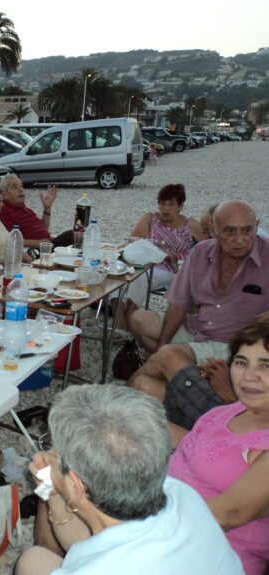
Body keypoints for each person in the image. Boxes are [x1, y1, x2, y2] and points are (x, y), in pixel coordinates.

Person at [0, 385, 243, 575]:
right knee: (34, 560)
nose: (47, 455)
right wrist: (51, 490)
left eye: (53, 452)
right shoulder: (178, 493)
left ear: (78, 485)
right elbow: (84, 545)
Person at [129, 200, 269, 438]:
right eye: (229, 231)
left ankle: (224, 421)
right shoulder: (201, 253)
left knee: (162, 364)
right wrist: (164, 344)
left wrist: (165, 354)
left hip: (236, 344)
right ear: (213, 231)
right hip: (200, 328)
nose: (239, 238)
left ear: (256, 226)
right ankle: (189, 385)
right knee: (141, 322)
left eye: (247, 230)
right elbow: (179, 304)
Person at [168, 322, 269, 575]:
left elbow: (230, 513)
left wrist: (135, 516)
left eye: (266, 366)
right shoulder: (232, 411)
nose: (248, 376)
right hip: (169, 529)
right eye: (241, 362)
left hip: (211, 556)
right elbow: (195, 447)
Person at [115, 184, 205, 328]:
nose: (165, 209)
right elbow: (133, 243)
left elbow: (209, 247)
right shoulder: (150, 218)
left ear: (181, 206)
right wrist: (159, 254)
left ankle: (129, 317)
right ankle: (119, 315)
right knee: (115, 277)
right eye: (162, 203)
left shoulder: (190, 224)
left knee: (141, 277)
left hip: (170, 269)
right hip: (142, 263)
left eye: (171, 204)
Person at [0, 175, 72, 248]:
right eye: (15, 187)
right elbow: (10, 240)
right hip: (36, 251)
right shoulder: (4, 210)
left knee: (77, 234)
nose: (21, 190)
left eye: (21, 186)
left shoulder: (24, 208)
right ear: (5, 194)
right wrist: (40, 243)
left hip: (49, 245)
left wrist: (47, 208)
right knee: (73, 235)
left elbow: (43, 229)